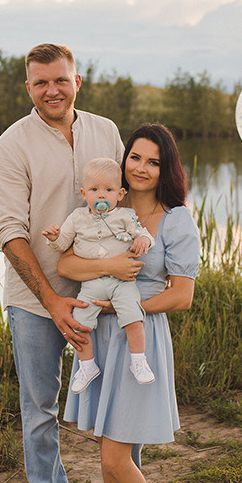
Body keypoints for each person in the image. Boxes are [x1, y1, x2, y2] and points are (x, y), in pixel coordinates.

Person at [0, 43, 125, 483]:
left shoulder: (106, 132)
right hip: (34, 301)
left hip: (102, 291)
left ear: (77, 81)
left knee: (116, 398)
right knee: (40, 406)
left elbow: (127, 196)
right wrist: (50, 301)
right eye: (40, 82)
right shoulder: (10, 147)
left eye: (59, 80)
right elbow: (9, 232)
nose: (51, 90)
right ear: (28, 87)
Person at [61, 124, 200, 483]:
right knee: (106, 453)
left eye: (153, 161)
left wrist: (123, 305)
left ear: (166, 170)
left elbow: (181, 296)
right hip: (100, 336)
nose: (141, 168)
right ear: (124, 164)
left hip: (139, 333)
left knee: (119, 456)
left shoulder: (175, 219)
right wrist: (105, 273)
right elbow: (66, 264)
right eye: (135, 158)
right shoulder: (101, 206)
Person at [43, 157, 155, 393]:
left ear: (120, 193)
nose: (101, 195)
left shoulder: (125, 215)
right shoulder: (77, 217)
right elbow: (64, 243)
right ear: (84, 193)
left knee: (133, 317)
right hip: (92, 282)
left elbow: (141, 232)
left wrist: (144, 239)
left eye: (108, 190)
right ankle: (87, 365)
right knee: (80, 323)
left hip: (121, 281)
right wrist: (54, 238)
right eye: (94, 190)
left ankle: (139, 361)